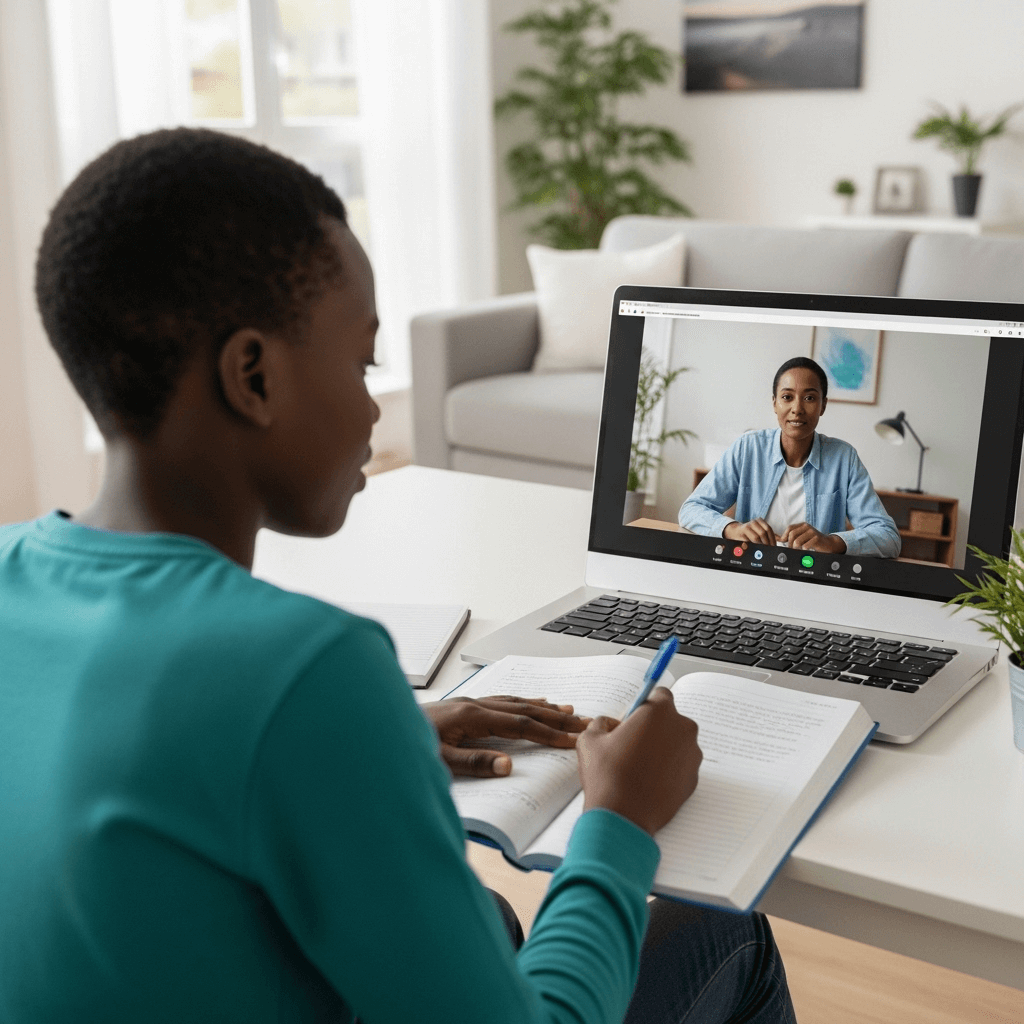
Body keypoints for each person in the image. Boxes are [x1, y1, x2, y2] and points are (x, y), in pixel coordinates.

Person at [0, 128, 796, 1024]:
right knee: (729, 934)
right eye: (363, 361)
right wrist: (620, 819)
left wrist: (384, 738)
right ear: (252, 376)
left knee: (491, 920)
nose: (375, 406)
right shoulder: (305, 670)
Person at [679, 357, 900, 558]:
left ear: (823, 405)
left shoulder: (844, 458)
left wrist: (832, 542)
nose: (797, 408)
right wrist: (733, 529)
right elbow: (691, 509)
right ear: (775, 403)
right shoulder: (748, 448)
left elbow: (888, 536)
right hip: (750, 568)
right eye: (787, 397)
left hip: (813, 577)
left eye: (809, 398)